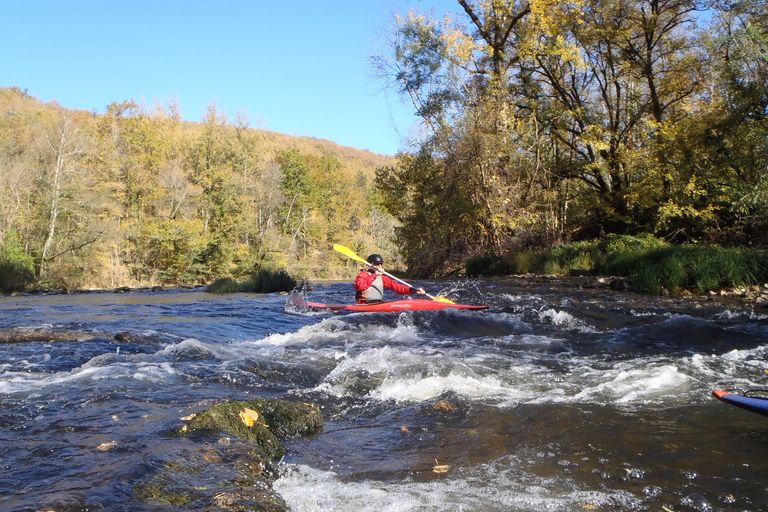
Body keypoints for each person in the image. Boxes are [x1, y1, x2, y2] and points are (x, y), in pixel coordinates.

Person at [354, 253, 425, 303]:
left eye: (381, 264)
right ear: (370, 265)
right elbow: (360, 287)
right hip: (364, 303)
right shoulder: (363, 275)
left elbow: (397, 287)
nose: (379, 266)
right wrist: (374, 275)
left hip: (377, 303)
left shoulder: (382, 278)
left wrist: (413, 290)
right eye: (377, 264)